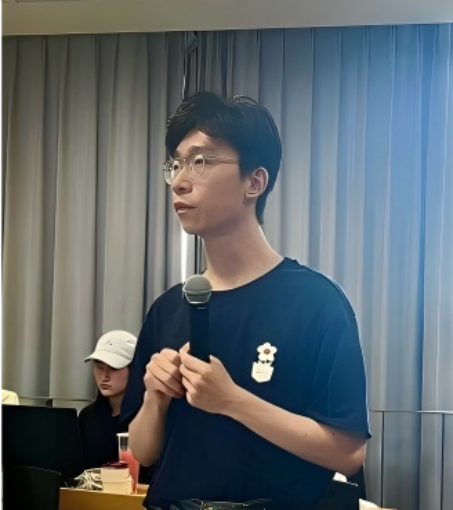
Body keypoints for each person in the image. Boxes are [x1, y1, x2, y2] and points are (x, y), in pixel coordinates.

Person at [121, 92, 371, 510]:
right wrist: (155, 397)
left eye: (201, 162)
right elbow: (144, 453)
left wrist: (231, 400)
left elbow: (348, 452)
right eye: (176, 164)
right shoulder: (168, 308)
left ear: (254, 182)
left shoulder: (317, 303)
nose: (179, 181)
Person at [79, 329, 137, 469]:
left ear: (133, 369)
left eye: (114, 368)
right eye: (99, 367)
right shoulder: (87, 417)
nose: (105, 376)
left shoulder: (146, 418)